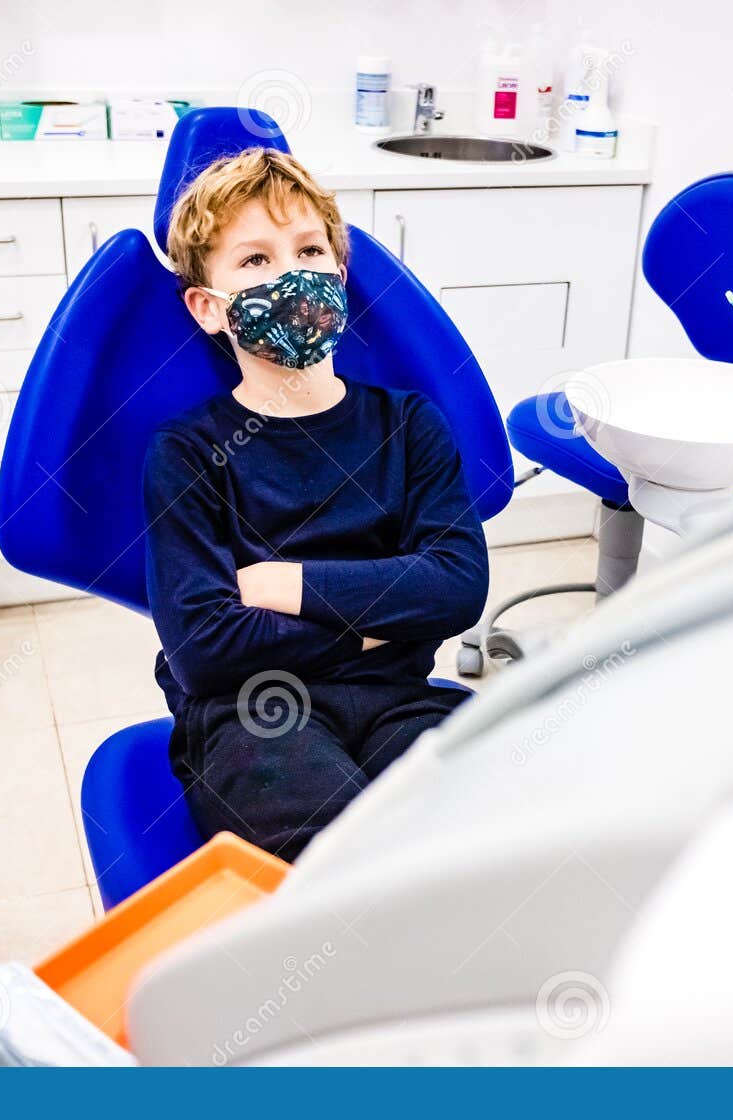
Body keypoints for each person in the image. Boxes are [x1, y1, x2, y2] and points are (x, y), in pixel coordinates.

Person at [143, 146, 490, 861]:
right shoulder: (186, 452)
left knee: (474, 840)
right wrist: (376, 625)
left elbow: (457, 587)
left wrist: (284, 584)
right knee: (341, 867)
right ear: (208, 308)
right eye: (256, 261)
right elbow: (205, 651)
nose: (291, 275)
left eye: (308, 250)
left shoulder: (408, 424)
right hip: (251, 710)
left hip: (399, 696)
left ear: (338, 273)